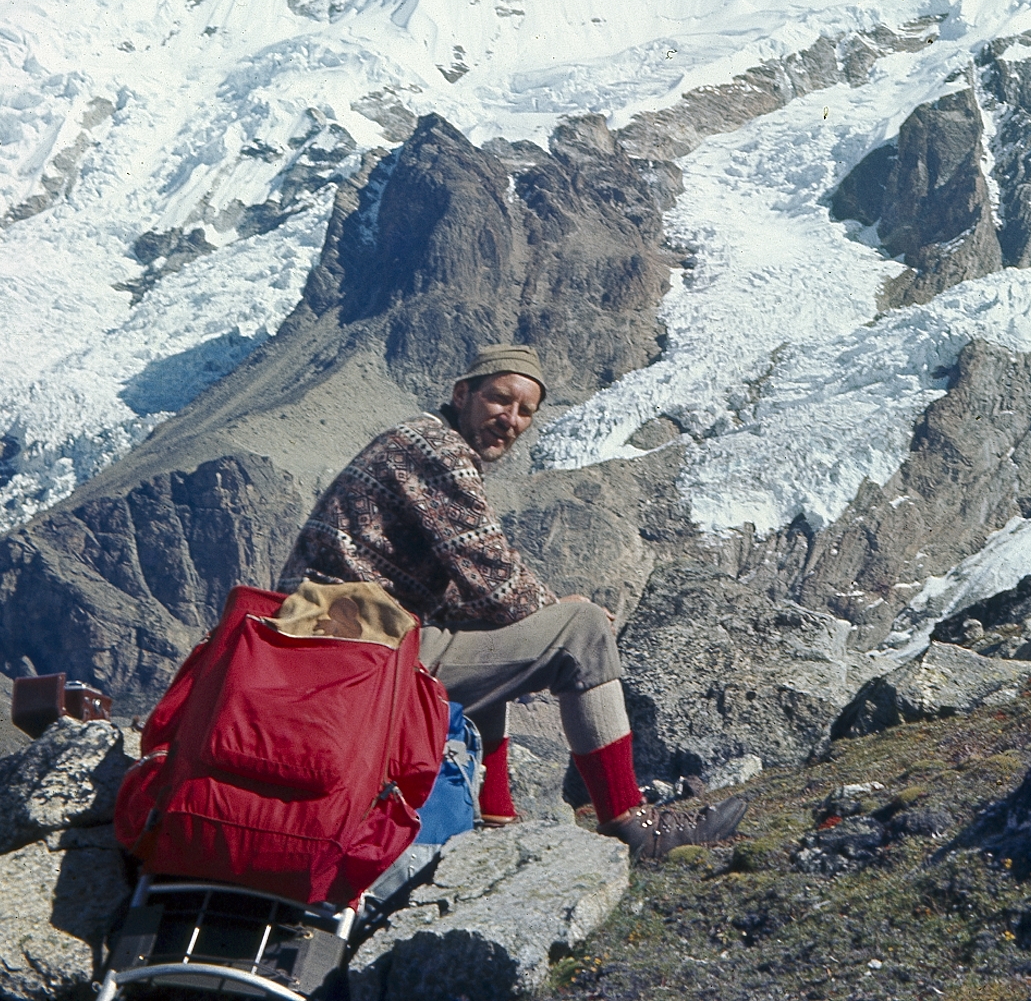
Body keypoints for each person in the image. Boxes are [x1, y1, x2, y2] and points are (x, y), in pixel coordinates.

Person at [277, 343, 743, 860]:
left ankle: (495, 820)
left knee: (483, 634)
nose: (511, 419)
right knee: (582, 628)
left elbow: (473, 598)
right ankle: (633, 825)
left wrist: (526, 609)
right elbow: (490, 573)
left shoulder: (416, 440)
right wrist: (556, 609)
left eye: (525, 411)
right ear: (463, 394)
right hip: (357, 646)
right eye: (501, 400)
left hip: (328, 639)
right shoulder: (436, 447)